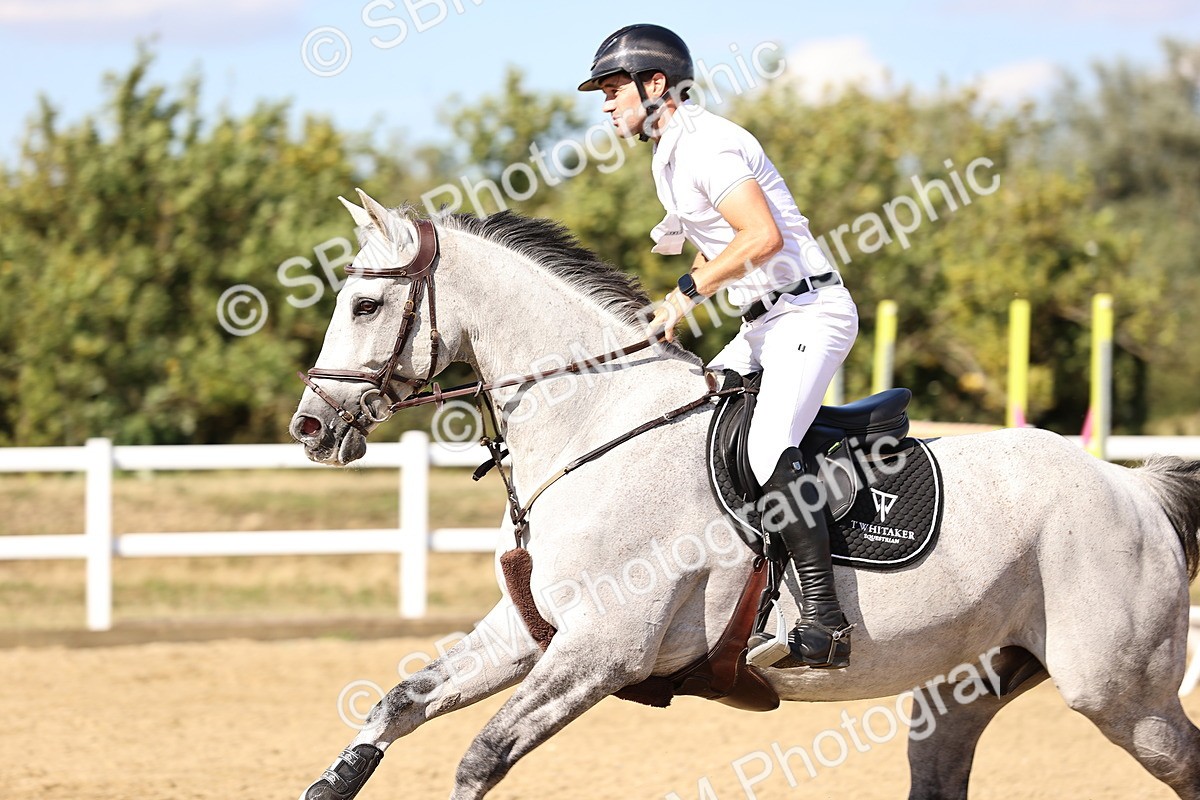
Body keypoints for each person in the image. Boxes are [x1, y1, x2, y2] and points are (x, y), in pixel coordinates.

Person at [579, 24, 860, 668]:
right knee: (694, 420)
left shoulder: (709, 145)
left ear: (657, 86)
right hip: (762, 325)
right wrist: (674, 306)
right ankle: (751, 592)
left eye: (614, 87)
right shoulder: (668, 157)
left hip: (808, 313)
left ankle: (825, 619)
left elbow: (760, 237)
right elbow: (721, 245)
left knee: (765, 446)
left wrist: (685, 294)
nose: (604, 103)